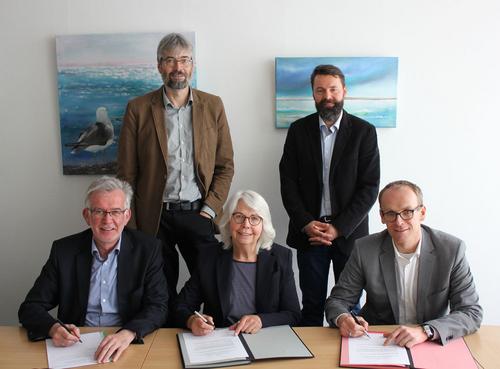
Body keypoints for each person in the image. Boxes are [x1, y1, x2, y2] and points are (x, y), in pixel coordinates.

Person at [117, 33, 234, 309]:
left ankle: (212, 344)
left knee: (212, 285)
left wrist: (210, 208)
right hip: (155, 218)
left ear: (192, 65)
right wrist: (131, 225)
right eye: (170, 60)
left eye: (184, 60)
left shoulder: (213, 105)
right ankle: (163, 347)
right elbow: (126, 173)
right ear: (159, 66)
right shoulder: (138, 108)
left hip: (198, 212)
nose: (177, 67)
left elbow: (225, 165)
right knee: (159, 291)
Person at [18, 176, 168, 363]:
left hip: (125, 344)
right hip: (76, 346)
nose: (108, 220)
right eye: (99, 211)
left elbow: (158, 306)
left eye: (115, 211)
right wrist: (54, 328)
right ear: (87, 216)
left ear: (127, 216)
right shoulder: (64, 251)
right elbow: (30, 307)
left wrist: (128, 333)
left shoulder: (148, 249)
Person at [325, 180, 483, 347]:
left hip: (429, 341)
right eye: (391, 213)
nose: (399, 222)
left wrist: (426, 331)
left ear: (422, 212)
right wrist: (343, 319)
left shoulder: (451, 250)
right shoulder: (364, 249)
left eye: (407, 212)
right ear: (382, 217)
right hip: (378, 342)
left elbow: (471, 312)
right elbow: (337, 301)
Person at [279, 64, 380, 326]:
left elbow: (369, 188)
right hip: (310, 234)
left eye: (333, 89)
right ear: (313, 94)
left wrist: (338, 227)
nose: (328, 96)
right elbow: (287, 183)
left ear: (344, 91)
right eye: (320, 90)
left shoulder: (364, 132)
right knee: (311, 305)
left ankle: (352, 360)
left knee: (350, 308)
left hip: (350, 235)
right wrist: (305, 223)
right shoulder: (298, 131)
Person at [173, 190, 301, 336]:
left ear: (263, 224)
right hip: (222, 339)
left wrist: (261, 320)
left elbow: (293, 314)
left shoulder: (281, 257)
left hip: (265, 337)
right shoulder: (210, 256)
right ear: (228, 221)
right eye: (239, 217)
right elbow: (180, 306)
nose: (246, 225)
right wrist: (192, 320)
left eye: (254, 218)